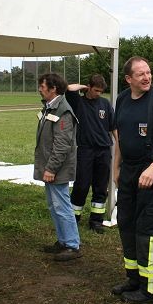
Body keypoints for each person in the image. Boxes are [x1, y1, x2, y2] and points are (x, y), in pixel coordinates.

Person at [111, 56, 153, 303]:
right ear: (129, 79)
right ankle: (135, 278)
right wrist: (115, 168)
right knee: (127, 224)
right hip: (128, 171)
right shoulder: (121, 100)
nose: (147, 77)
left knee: (149, 230)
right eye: (140, 74)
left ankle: (152, 289)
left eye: (148, 72)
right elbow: (119, 138)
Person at [35, 73, 82, 262]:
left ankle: (72, 245)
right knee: (54, 206)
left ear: (53, 88)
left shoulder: (62, 110)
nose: (40, 88)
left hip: (57, 170)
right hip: (51, 168)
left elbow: (62, 144)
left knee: (62, 206)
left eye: (42, 85)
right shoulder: (50, 107)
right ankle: (63, 241)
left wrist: (51, 168)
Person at [65, 75, 117, 234]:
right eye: (95, 90)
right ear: (89, 87)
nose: (98, 94)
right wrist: (83, 87)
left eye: (101, 91)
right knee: (81, 185)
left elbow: (113, 126)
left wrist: (119, 143)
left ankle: (96, 221)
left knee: (101, 187)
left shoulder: (105, 104)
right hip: (85, 150)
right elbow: (68, 88)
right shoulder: (79, 102)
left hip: (103, 150)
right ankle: (73, 218)